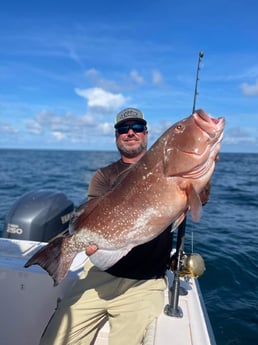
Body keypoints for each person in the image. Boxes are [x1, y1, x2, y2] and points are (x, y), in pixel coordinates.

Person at [40, 108, 210, 345]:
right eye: (123, 129)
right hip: (100, 275)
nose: (130, 133)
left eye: (137, 128)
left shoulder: (171, 167)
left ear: (146, 134)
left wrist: (203, 172)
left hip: (145, 283)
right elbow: (91, 216)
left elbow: (198, 201)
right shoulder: (103, 176)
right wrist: (86, 244)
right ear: (116, 135)